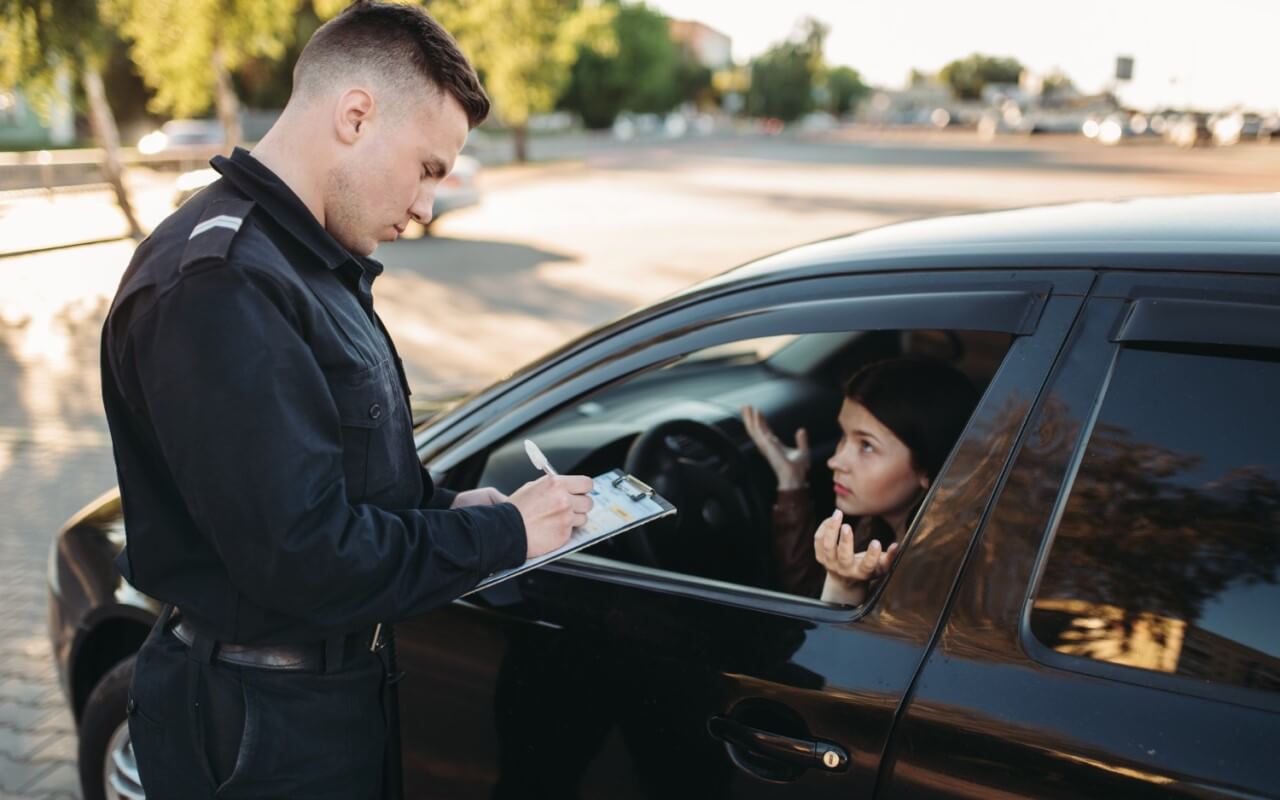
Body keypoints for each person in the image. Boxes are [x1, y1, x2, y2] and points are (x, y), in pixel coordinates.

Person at [99, 3, 594, 798]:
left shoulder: (304, 262)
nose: (429, 205)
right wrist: (500, 537)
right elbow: (305, 559)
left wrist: (450, 508)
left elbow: (341, 476)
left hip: (316, 700)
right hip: (256, 725)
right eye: (430, 168)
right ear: (356, 116)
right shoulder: (223, 285)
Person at [742, 356, 979, 605]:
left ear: (928, 470)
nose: (836, 461)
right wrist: (791, 480)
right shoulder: (877, 525)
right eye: (844, 436)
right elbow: (809, 595)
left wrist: (845, 589)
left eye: (866, 446)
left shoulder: (930, 581)